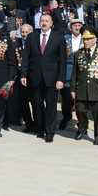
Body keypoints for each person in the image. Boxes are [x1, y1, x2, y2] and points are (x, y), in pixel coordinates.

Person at [20, 11, 67, 142]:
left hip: (52, 77)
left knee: (51, 106)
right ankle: (40, 128)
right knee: (37, 104)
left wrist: (61, 79)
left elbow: (62, 61)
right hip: (34, 76)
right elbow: (25, 58)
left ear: (52, 23)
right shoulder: (32, 37)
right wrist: (24, 74)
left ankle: (50, 131)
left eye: (47, 21)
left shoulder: (59, 38)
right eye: (42, 21)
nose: (44, 23)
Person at [71, 25, 98, 145]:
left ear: (95, 39)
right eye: (84, 39)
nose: (85, 41)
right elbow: (74, 73)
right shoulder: (78, 54)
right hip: (82, 88)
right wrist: (73, 89)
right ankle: (82, 128)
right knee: (80, 111)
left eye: (88, 39)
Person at [61, 18, 84, 130]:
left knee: (81, 100)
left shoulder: (86, 39)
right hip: (67, 71)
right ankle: (66, 116)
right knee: (66, 97)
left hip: (81, 73)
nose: (77, 27)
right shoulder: (65, 39)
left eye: (79, 25)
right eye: (74, 25)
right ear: (70, 28)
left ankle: (81, 122)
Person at [16, 24, 35, 132]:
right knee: (23, 103)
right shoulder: (15, 45)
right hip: (20, 79)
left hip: (32, 78)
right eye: (22, 32)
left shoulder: (36, 44)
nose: (24, 34)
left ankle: (37, 124)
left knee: (35, 102)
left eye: (26, 32)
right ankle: (29, 124)